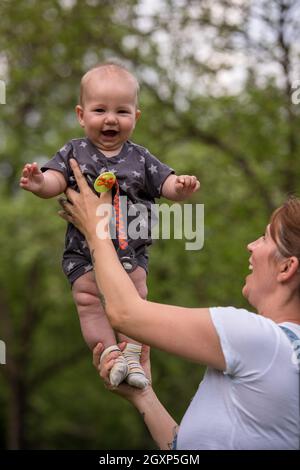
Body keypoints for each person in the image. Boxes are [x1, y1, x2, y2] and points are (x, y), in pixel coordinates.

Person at [58, 158, 300, 450]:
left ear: (287, 267)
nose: (252, 245)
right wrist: (143, 395)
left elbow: (125, 313)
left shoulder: (261, 342)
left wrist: (96, 228)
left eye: (265, 237)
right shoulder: (279, 356)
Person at [19, 62, 200, 389]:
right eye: (100, 109)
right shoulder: (74, 150)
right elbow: (57, 180)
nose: (111, 119)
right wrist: (40, 182)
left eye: (122, 111)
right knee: (87, 299)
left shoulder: (141, 158)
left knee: (135, 301)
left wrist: (180, 188)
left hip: (129, 251)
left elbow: (165, 184)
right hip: (83, 252)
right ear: (81, 114)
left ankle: (132, 353)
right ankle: (109, 354)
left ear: (136, 117)